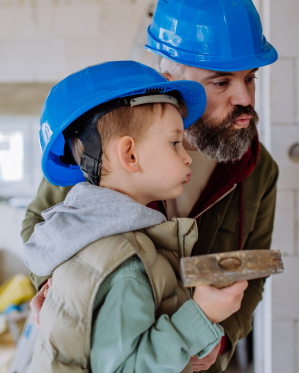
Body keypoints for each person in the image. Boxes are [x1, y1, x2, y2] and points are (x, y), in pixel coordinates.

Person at [22, 0, 279, 371]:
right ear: (173, 82)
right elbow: (41, 229)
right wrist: (52, 291)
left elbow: (254, 273)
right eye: (221, 82)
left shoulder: (258, 171)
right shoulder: (103, 144)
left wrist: (221, 339)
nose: (244, 99)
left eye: (249, 78)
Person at [24, 60, 248, 372]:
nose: (187, 158)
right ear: (129, 154)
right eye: (174, 143)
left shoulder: (87, 234)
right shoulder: (124, 261)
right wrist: (202, 316)